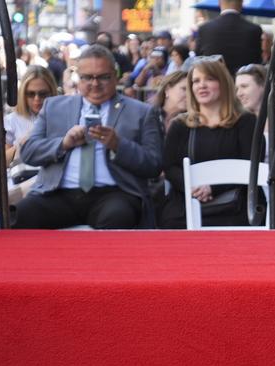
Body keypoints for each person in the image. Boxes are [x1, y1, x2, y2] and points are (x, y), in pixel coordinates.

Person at [14, 45, 163, 229]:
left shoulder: (142, 112)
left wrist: (118, 145)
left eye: (103, 77)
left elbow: (154, 165)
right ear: (78, 78)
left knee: (118, 217)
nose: (95, 83)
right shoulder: (54, 107)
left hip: (114, 193)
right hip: (58, 193)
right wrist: (63, 144)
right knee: (23, 213)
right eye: (87, 77)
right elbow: (29, 152)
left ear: (115, 76)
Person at [159, 56, 257, 227]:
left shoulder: (246, 122)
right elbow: (169, 166)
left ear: (223, 84)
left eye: (209, 79)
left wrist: (212, 187)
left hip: (234, 207)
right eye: (196, 81)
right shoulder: (180, 125)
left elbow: (250, 165)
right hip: (185, 204)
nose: (201, 85)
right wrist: (192, 187)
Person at [5, 66, 58, 169]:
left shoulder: (63, 116)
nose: (36, 99)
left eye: (42, 94)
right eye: (30, 94)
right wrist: (23, 144)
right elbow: (0, 162)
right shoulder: (12, 121)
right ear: (23, 94)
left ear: (52, 92)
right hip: (23, 179)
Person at [196, 0, 262, 75]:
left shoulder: (205, 28)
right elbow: (257, 61)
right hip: (242, 82)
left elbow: (198, 58)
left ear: (219, 3)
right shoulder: (254, 30)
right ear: (242, 4)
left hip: (214, 80)